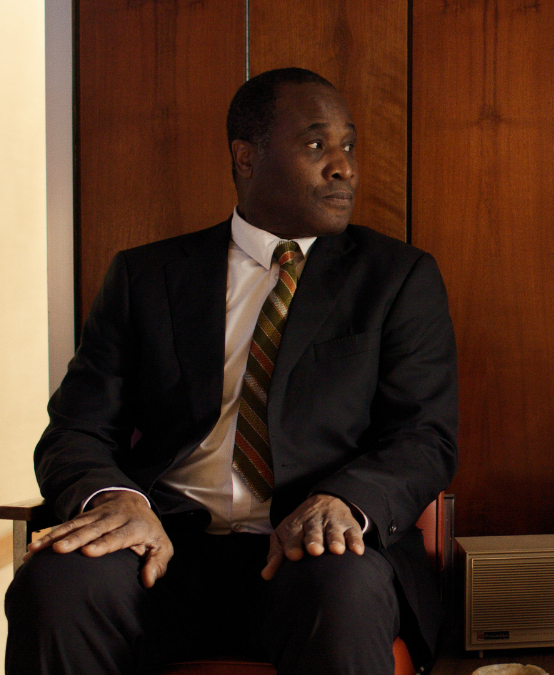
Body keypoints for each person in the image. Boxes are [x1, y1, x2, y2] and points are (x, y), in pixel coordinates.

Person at [5, 68, 457, 675]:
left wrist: (345, 501)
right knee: (57, 583)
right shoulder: (146, 277)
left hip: (309, 552)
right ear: (247, 157)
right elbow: (76, 429)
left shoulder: (396, 278)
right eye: (317, 145)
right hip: (162, 549)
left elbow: (423, 436)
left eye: (348, 146)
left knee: (342, 589)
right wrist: (115, 499)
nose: (343, 167)